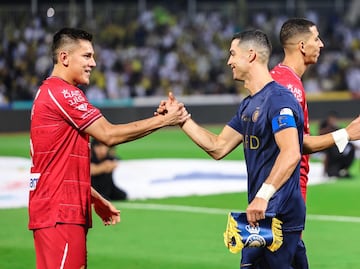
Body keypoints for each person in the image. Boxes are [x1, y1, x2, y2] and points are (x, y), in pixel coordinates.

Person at [29, 27, 189, 269]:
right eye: (86, 56)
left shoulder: (50, 92)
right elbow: (109, 134)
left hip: (60, 210)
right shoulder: (62, 93)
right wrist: (165, 120)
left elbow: (54, 165)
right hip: (60, 214)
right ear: (64, 57)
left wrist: (92, 197)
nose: (93, 63)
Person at [160, 29, 306, 269]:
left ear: (250, 55)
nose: (228, 61)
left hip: (278, 215)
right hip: (263, 213)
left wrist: (263, 195)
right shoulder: (249, 105)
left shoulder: (279, 99)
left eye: (232, 54)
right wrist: (181, 120)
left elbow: (290, 152)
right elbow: (218, 147)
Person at [270, 18, 360, 269]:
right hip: (286, 194)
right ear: (301, 45)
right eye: (316, 39)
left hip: (284, 193)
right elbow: (295, 145)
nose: (321, 44)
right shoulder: (289, 87)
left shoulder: (282, 79)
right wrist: (346, 134)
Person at [319, 111, 355, 178]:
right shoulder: (324, 125)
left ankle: (344, 170)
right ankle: (328, 171)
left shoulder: (336, 127)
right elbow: (321, 134)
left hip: (335, 148)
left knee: (350, 147)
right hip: (324, 148)